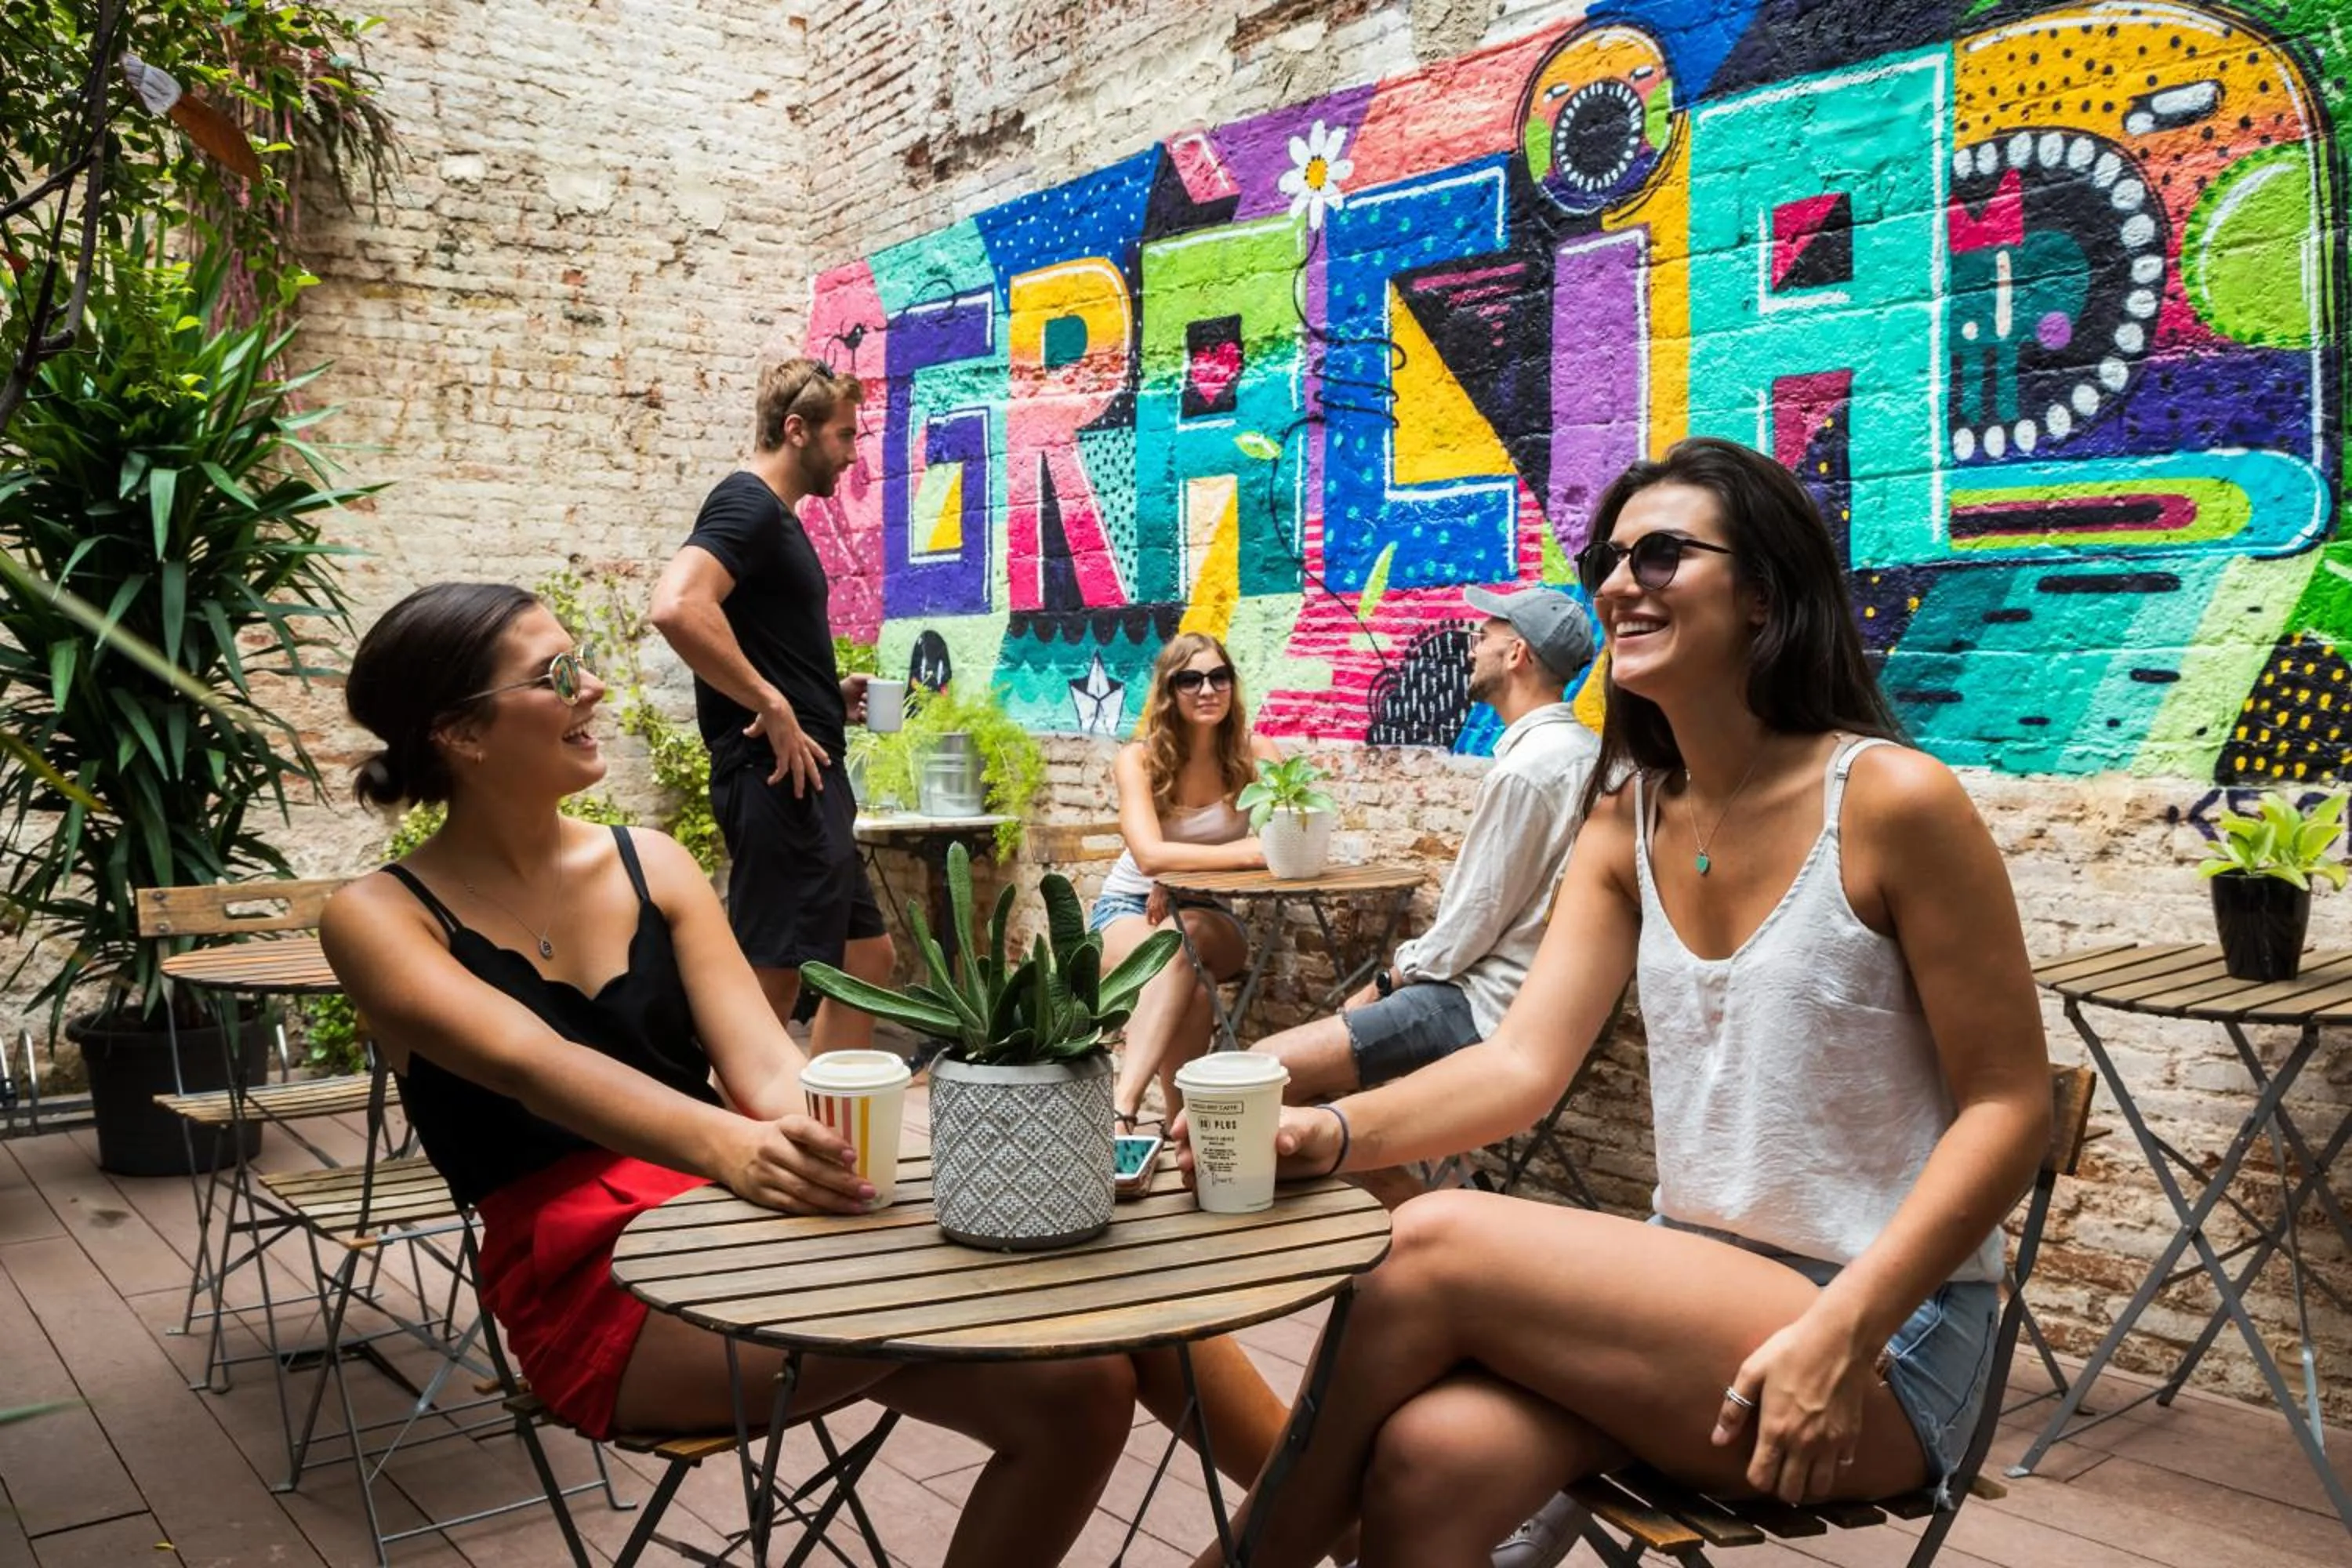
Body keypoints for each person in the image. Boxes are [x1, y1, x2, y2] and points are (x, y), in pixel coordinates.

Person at [1175, 439, 2052, 1568]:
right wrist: (1327, 1135)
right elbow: (1518, 1069)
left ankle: (1244, 1563)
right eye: (1610, 556)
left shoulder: (1892, 801)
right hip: (1685, 1294)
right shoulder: (1623, 822)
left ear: (1766, 594)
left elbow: (2009, 1108)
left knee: (1430, 1236)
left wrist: (1844, 1332)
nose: (1619, 582)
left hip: (1882, 1340)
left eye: (1663, 553)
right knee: (1428, 1462)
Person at [323, 583, 1287, 1565]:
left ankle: (1315, 1514)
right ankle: (1332, 1506)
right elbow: (531, 1062)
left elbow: (767, 1072)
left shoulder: (650, 863)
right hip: (597, 1284)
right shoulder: (380, 916)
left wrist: (870, 1147)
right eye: (558, 673)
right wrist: (736, 1147)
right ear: (460, 735)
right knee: (1086, 1288)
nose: (596, 687)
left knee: (1081, 1392)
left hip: (750, 1221)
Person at [1250, 585, 1598, 1125]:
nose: (1470, 648)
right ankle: (1443, 1184)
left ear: (1517, 655)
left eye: (1483, 636)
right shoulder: (1587, 755)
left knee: (1260, 1071)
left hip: (1481, 1004)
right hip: (1537, 1006)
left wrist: (1382, 983)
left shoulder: (1528, 771)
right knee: (1330, 1102)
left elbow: (1470, 927)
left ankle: (1417, 1200)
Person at [650, 358, 890, 1051]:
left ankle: (819, 1126)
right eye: (844, 436)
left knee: (866, 961)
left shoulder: (775, 518)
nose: (851, 453)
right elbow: (676, 606)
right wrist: (772, 705)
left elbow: (754, 635)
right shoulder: (748, 503)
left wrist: (821, 695)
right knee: (772, 980)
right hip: (778, 779)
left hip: (811, 778)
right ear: (796, 431)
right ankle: (738, 1148)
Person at [1092, 631, 1283, 1130]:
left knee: (1185, 935)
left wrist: (1181, 875)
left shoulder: (1256, 754)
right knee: (1191, 984)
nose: (1207, 690)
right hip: (1129, 907)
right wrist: (1226, 857)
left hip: (1214, 913)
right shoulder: (1139, 759)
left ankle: (1122, 1109)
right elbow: (1149, 858)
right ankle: (1187, 1135)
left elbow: (1286, 847)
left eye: (1219, 677)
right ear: (1169, 690)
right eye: (1191, 679)